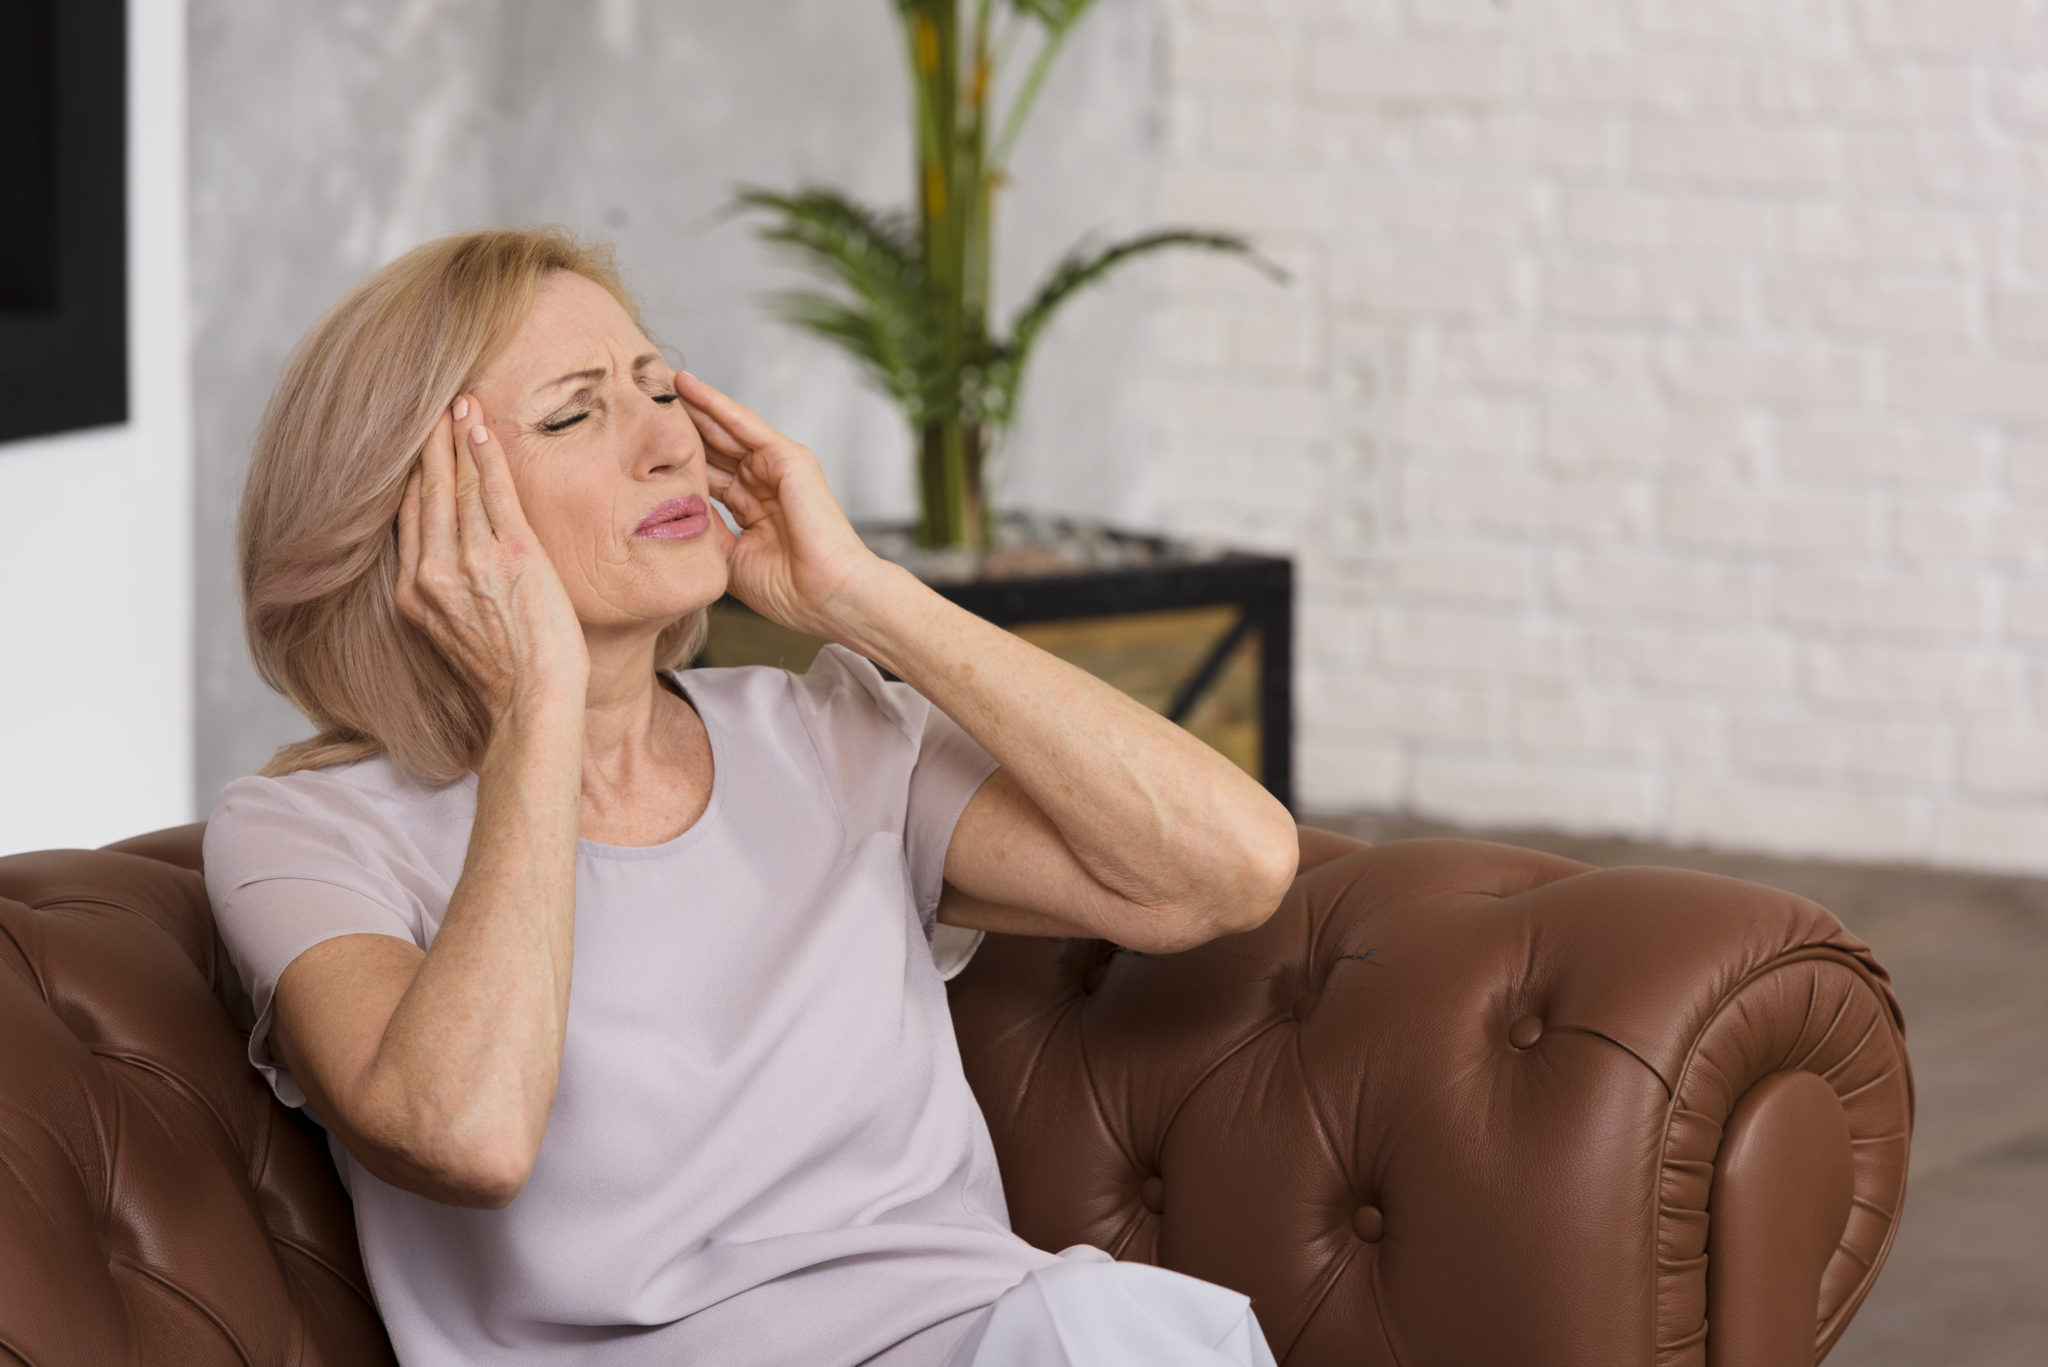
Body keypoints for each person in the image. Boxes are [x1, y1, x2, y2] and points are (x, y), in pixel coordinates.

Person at [204, 226, 1298, 1367]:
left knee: (1107, 1324)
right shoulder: (305, 834)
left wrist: (862, 595)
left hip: (992, 1337)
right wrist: (538, 707)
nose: (668, 443)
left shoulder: (824, 730)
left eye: (657, 387)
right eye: (574, 414)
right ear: (416, 516)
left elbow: (1229, 869)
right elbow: (465, 1135)